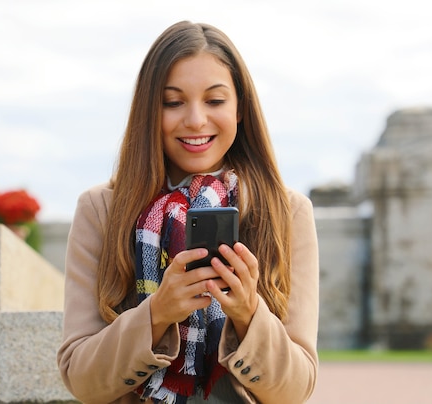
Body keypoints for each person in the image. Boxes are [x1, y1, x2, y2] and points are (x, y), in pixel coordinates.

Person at [57, 20, 319, 404]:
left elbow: (297, 390)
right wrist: (157, 314)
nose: (196, 120)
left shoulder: (287, 212)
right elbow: (81, 380)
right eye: (173, 102)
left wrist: (248, 316)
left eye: (215, 101)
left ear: (241, 108)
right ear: (150, 110)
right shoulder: (102, 210)